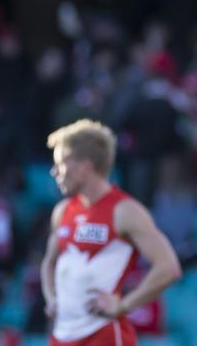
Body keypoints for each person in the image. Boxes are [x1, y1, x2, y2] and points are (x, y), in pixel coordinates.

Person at [40, 119, 182, 346]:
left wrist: (123, 306)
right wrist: (52, 299)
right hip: (62, 335)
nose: (54, 172)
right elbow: (49, 262)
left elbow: (169, 268)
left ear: (84, 166)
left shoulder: (125, 211)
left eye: (60, 164)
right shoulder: (63, 211)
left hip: (103, 334)